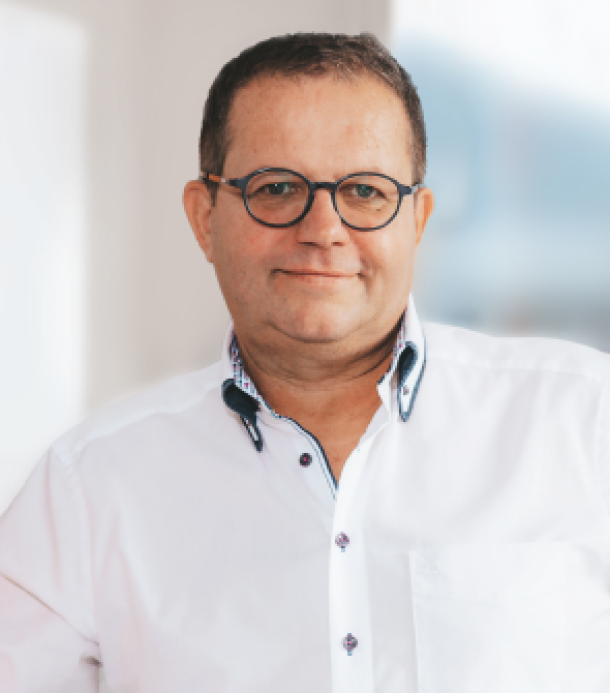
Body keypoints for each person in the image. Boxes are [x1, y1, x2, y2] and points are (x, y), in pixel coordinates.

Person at [1, 32, 609, 693]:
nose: (322, 229)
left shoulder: (584, 421)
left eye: (366, 191)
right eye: (277, 187)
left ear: (417, 220)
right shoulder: (86, 489)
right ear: (204, 218)